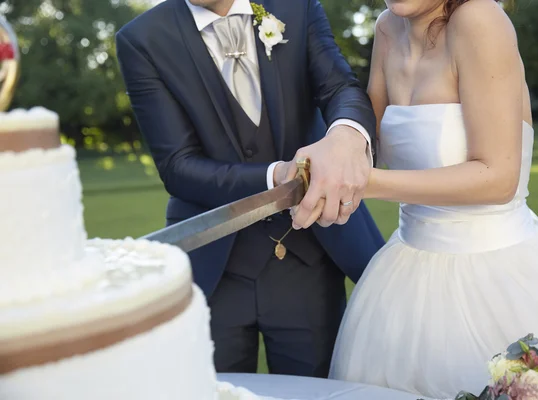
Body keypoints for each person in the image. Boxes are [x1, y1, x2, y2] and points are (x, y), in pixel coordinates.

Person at [326, 0, 538, 397]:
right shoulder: (389, 27)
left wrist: (362, 183)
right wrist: (327, 156)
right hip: (404, 279)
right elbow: (369, 139)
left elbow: (497, 177)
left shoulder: (479, 19)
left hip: (498, 273)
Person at [115, 0, 385, 378]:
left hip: (309, 259)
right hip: (213, 269)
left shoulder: (297, 7)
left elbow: (341, 88)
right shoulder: (142, 39)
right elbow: (178, 166)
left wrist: (344, 136)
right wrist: (276, 176)